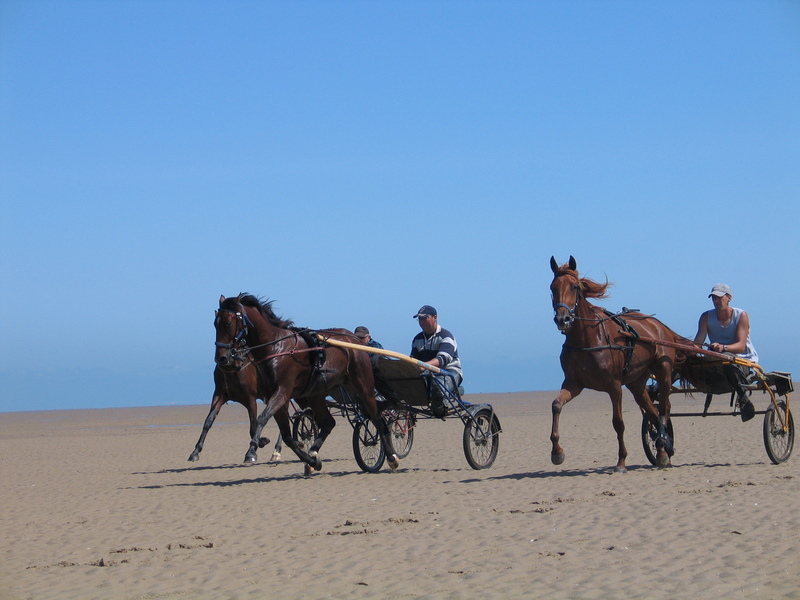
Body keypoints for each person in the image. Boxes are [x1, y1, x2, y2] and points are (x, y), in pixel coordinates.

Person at [693, 283, 759, 421]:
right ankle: (657, 389)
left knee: (727, 358)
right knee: (683, 359)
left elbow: (741, 346)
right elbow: (698, 343)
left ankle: (743, 398)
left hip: (742, 361)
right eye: (714, 298)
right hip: (716, 360)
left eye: (719, 297)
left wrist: (723, 347)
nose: (716, 301)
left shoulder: (741, 315)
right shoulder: (706, 317)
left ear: (729, 297)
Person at [410, 305, 463, 417]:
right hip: (428, 373)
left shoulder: (445, 336)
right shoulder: (417, 339)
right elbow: (413, 359)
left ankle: (441, 408)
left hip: (449, 372)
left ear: (435, 317)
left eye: (425, 318)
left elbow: (444, 358)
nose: (422, 322)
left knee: (437, 385)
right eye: (420, 319)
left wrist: (424, 365)